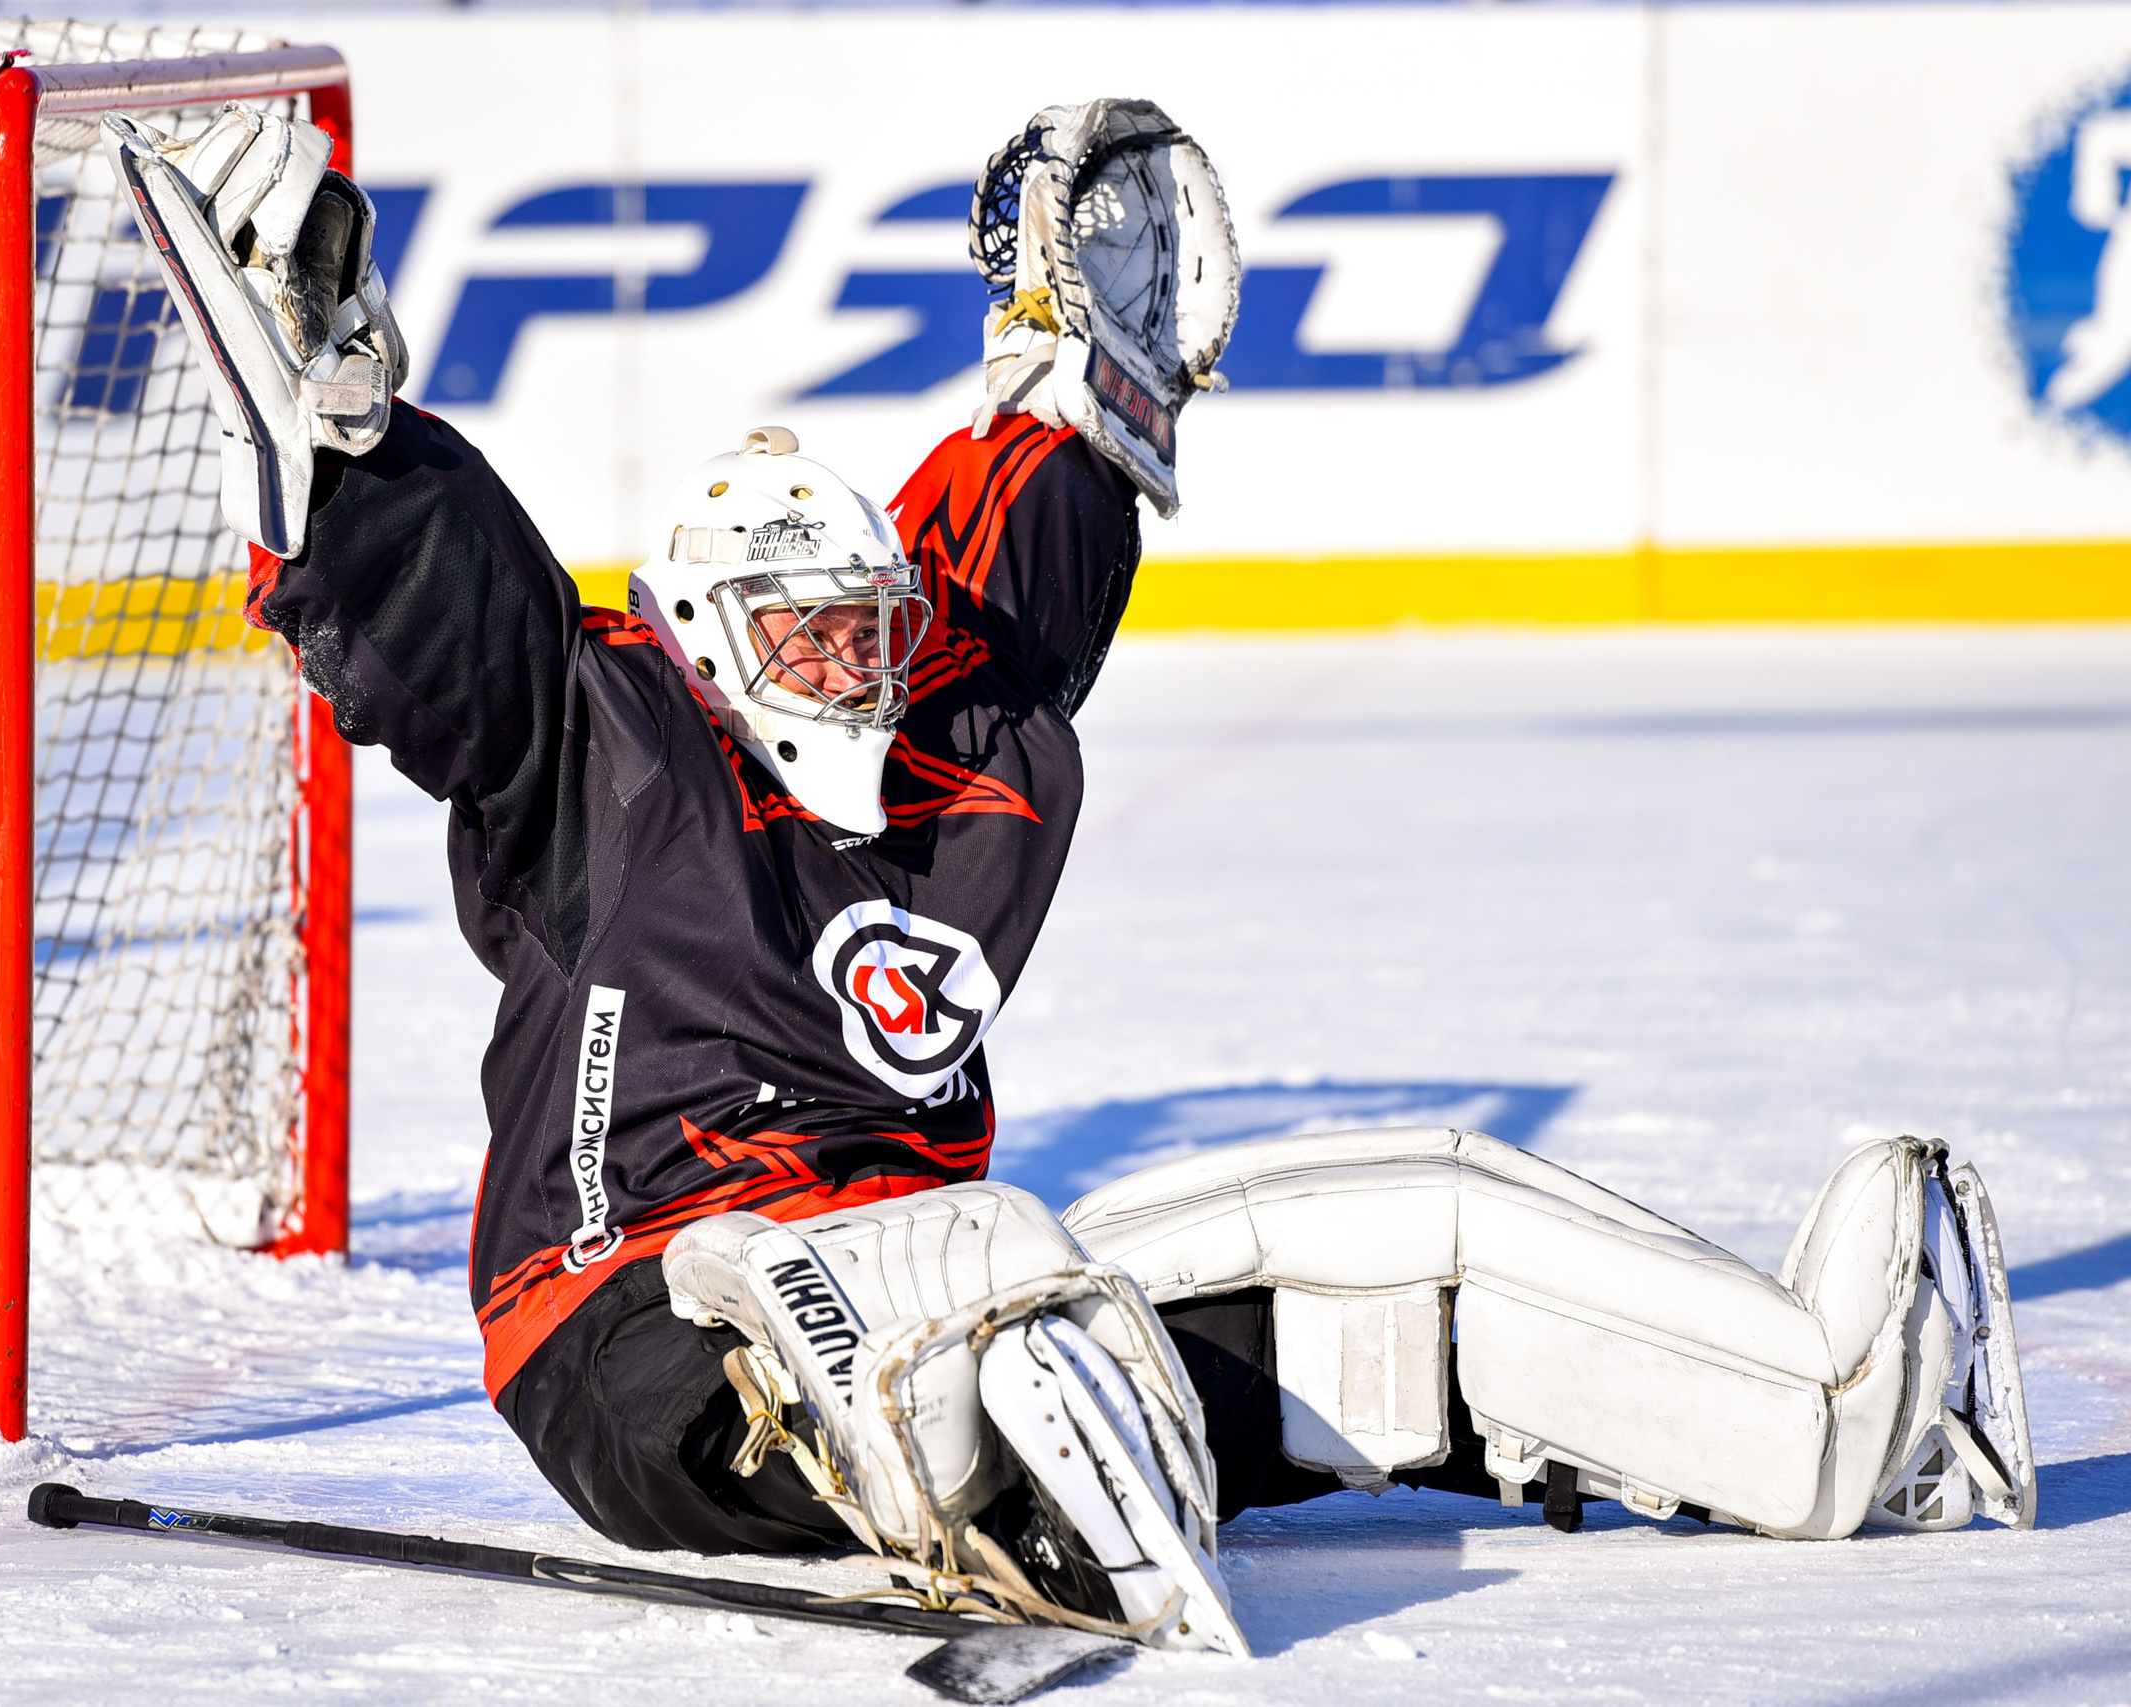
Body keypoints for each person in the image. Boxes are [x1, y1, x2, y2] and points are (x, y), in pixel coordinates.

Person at [113, 96, 2033, 1660]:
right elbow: (451, 618)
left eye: (867, 625)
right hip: (634, 1328)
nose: (849, 665)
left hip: (977, 1305)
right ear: (701, 638)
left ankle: (1824, 1413)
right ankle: (1004, 1479)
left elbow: (1037, 509)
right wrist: (352, 441)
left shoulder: (975, 736)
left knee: (1407, 1210)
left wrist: (1085, 353)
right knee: (988, 1262)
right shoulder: (603, 744)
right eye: (800, 638)